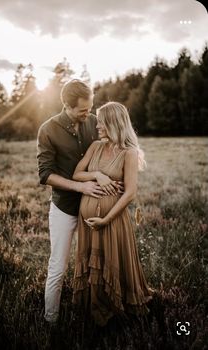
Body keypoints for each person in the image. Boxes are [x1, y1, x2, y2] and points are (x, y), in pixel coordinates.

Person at [37, 79, 121, 324]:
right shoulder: (48, 129)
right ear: (67, 106)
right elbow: (45, 174)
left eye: (91, 107)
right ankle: (50, 320)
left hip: (93, 206)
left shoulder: (94, 122)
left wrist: (112, 178)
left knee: (96, 263)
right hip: (64, 208)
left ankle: (96, 312)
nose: (89, 114)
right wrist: (80, 185)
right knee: (58, 266)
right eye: (83, 110)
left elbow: (112, 151)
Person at [72, 101, 154, 326]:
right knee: (93, 262)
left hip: (112, 220)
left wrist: (106, 219)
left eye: (101, 122)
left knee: (113, 261)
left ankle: (116, 312)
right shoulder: (96, 147)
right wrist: (98, 175)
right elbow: (77, 174)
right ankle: (95, 310)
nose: (97, 126)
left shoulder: (129, 152)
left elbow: (130, 194)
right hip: (88, 221)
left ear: (114, 123)